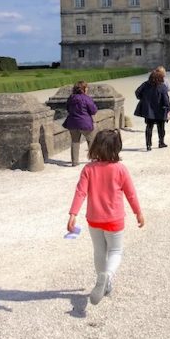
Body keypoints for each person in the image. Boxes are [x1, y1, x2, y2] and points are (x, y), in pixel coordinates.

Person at [67, 129, 145, 306]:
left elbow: (80, 192)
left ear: (95, 146)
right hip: (114, 219)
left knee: (99, 251)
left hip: (94, 218)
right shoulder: (120, 169)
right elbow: (130, 194)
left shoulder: (88, 169)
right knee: (116, 251)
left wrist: (73, 213)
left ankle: (101, 280)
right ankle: (107, 277)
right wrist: (138, 212)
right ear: (117, 148)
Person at [134, 69, 170, 151]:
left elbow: (137, 92)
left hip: (148, 110)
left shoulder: (145, 84)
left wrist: (143, 99)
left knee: (149, 127)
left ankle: (148, 145)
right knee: (161, 127)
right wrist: (169, 109)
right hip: (160, 109)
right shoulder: (162, 86)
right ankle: (161, 142)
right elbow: (166, 99)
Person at [63, 80, 98, 167]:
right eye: (86, 87)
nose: (87, 89)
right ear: (84, 89)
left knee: (75, 142)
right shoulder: (86, 98)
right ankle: (93, 159)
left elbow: (67, 108)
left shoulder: (71, 98)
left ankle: (74, 162)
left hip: (72, 123)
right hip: (85, 123)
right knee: (91, 140)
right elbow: (93, 110)